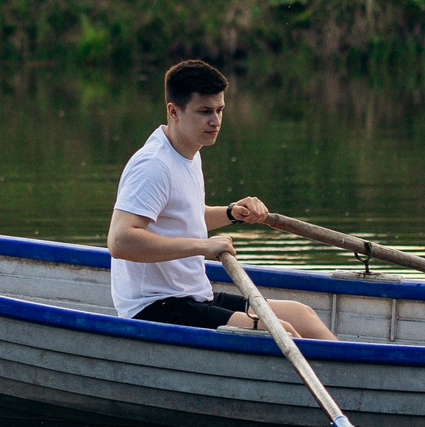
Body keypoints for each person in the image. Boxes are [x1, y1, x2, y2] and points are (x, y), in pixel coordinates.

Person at [108, 60, 335, 340]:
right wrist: (202, 246)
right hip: (154, 307)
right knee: (281, 332)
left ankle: (350, 380)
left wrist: (231, 212)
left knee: (302, 316)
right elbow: (120, 241)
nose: (215, 121)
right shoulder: (153, 165)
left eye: (219, 110)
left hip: (192, 296)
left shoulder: (189, 153)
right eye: (205, 112)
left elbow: (184, 216)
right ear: (173, 111)